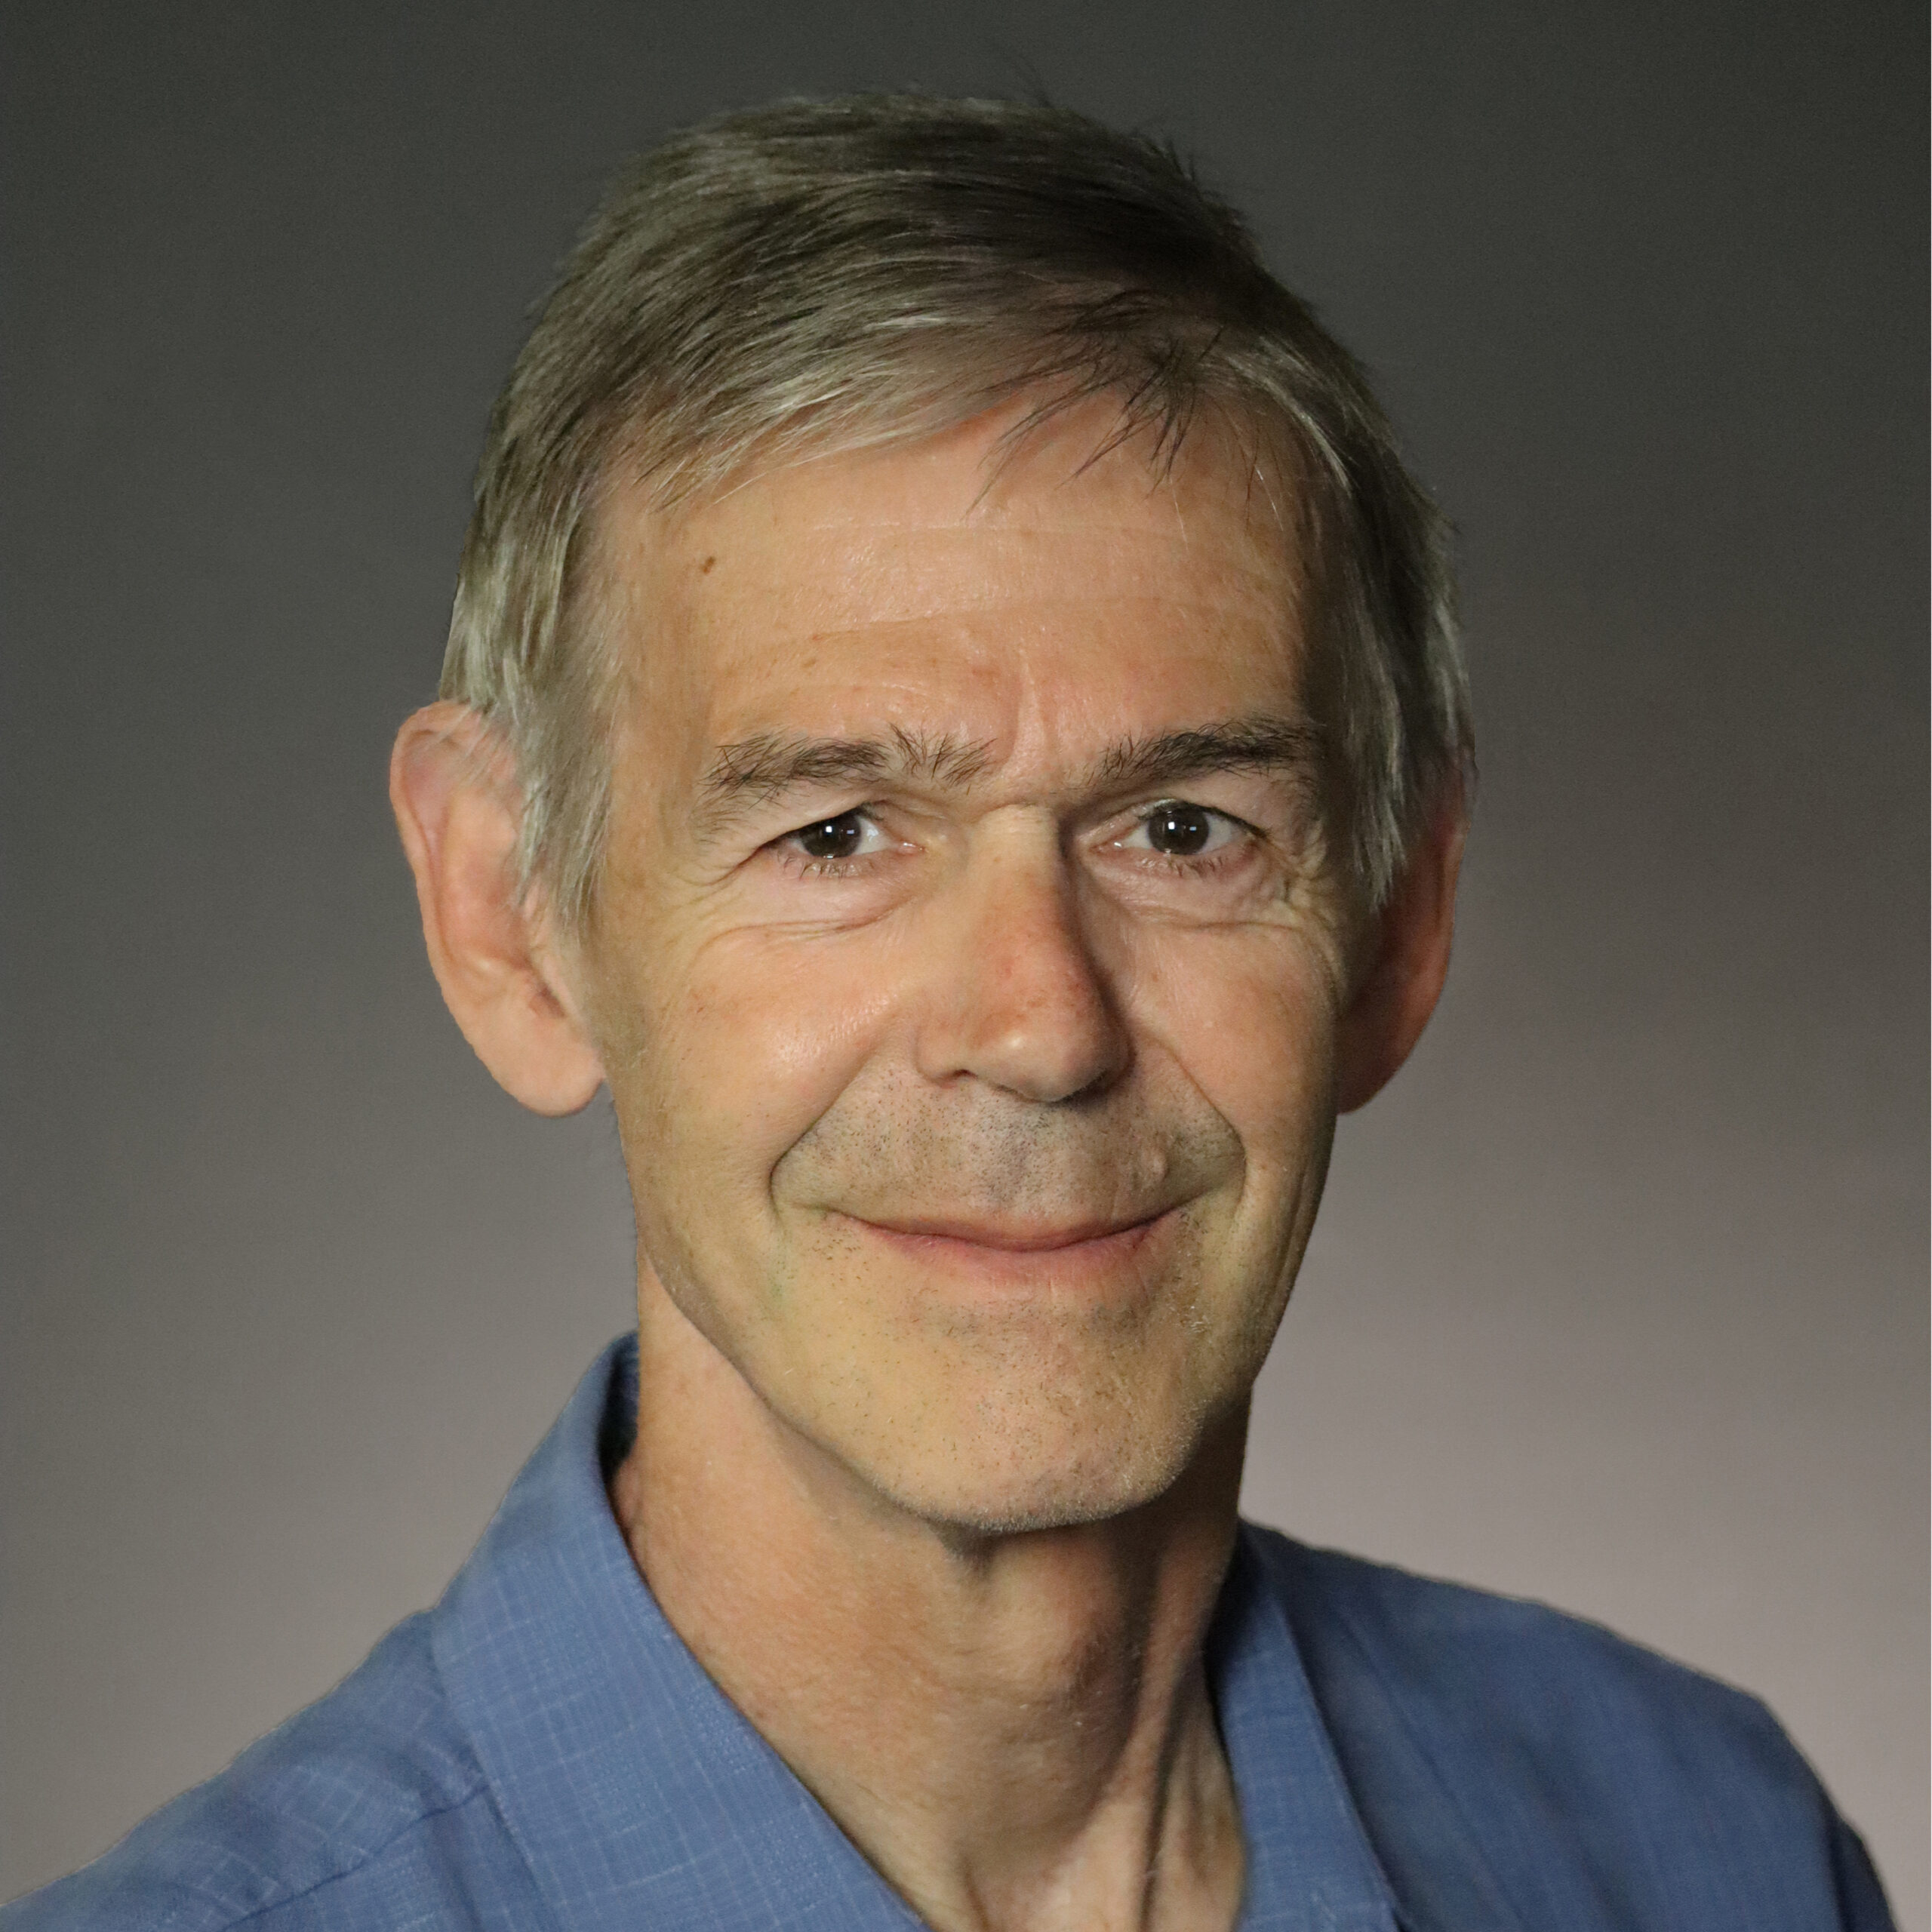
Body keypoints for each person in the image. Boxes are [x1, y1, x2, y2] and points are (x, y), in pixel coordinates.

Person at [6, 94, 1892, 1932]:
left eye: (1182, 828)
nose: (1038, 1024)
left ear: (1398, 919)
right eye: (836, 831)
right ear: (511, 920)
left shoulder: (1706, 1852)